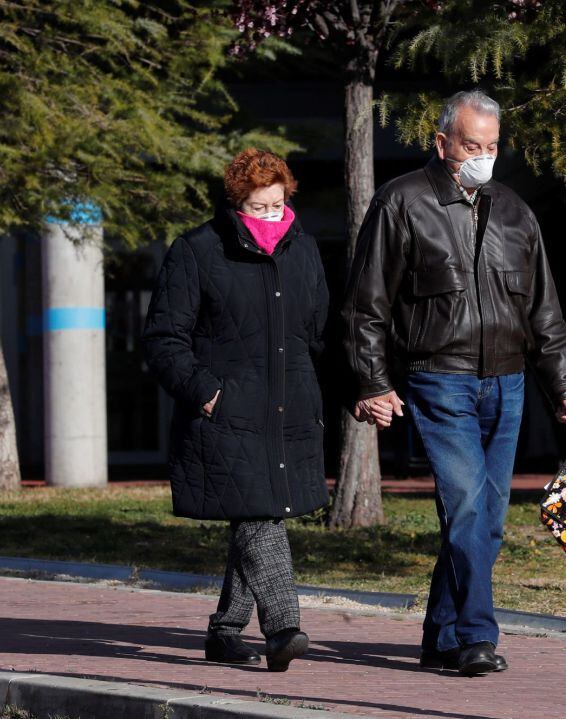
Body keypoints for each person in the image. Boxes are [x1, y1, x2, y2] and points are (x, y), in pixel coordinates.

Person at [342, 90, 566, 676]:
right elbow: (365, 304)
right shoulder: (401, 202)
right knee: (469, 506)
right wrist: (372, 381)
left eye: (492, 146)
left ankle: (441, 634)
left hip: (509, 381)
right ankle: (477, 635)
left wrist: (564, 385)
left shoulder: (515, 212)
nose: (483, 156)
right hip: (438, 379)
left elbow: (543, 309)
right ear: (442, 141)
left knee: (487, 517)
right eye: (472, 145)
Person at [142, 148, 329, 672]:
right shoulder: (197, 251)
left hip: (287, 409)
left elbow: (314, 332)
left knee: (259, 510)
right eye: (257, 207)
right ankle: (284, 625)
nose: (270, 216)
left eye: (277, 205)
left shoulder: (305, 250)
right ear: (235, 204)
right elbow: (163, 338)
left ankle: (225, 632)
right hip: (225, 412)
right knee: (259, 514)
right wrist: (206, 390)